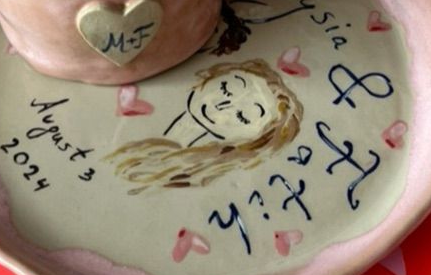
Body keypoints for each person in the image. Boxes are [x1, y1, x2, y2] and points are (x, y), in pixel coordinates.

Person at [107, 59, 303, 192]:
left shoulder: (193, 176)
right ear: (215, 75)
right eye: (227, 88)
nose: (222, 105)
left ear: (253, 140)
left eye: (243, 116)